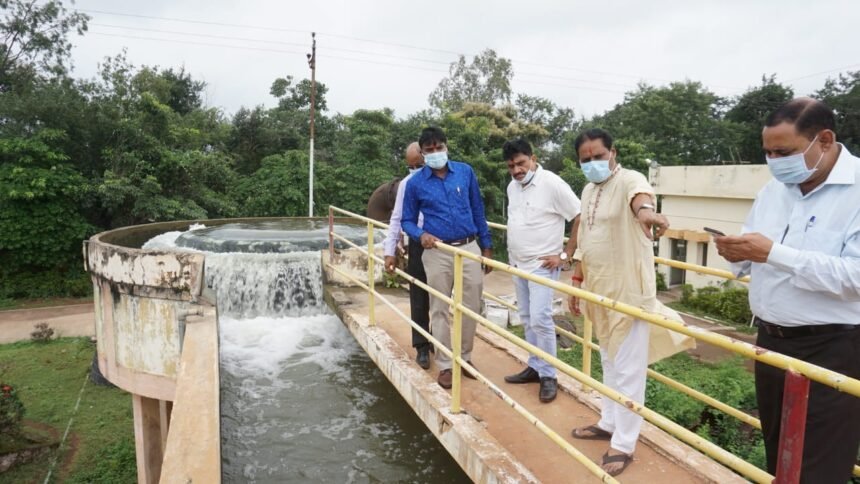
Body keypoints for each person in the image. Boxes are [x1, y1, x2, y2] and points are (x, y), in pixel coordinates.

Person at [714, 98, 860, 484]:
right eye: (767, 152)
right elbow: (753, 251)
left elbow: (856, 279)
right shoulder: (774, 190)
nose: (774, 161)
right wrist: (737, 252)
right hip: (772, 343)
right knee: (779, 457)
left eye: (784, 152)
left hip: (834, 348)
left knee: (819, 469)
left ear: (824, 140)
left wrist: (775, 254)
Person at [567, 128, 694, 477]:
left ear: (613, 152)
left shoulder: (630, 180)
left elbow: (641, 199)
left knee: (628, 370)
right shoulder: (588, 189)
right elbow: (586, 238)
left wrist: (647, 214)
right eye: (585, 159)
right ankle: (608, 422)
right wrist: (577, 280)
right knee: (608, 359)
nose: (593, 163)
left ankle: (624, 444)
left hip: (629, 292)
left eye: (598, 156)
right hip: (598, 289)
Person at [401, 127, 493, 390]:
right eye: (428, 150)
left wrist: (486, 246)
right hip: (437, 252)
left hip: (469, 246)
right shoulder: (416, 182)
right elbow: (407, 219)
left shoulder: (465, 172)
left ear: (446, 146)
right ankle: (444, 364)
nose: (434, 153)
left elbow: (478, 208)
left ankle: (464, 358)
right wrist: (421, 235)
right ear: (422, 152)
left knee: (470, 306)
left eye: (438, 147)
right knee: (439, 309)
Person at [501, 138, 581, 403]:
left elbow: (578, 216)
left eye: (521, 163)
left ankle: (549, 375)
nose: (517, 170)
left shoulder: (552, 184)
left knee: (540, 319)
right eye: (511, 166)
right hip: (518, 264)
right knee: (525, 317)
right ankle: (535, 366)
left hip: (543, 265)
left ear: (533, 159)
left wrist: (566, 255)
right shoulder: (513, 187)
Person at [383, 142, 433, 369]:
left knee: (442, 299)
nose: (415, 170)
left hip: (444, 245)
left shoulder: (444, 179)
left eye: (419, 165)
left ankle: (437, 340)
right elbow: (396, 218)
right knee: (419, 297)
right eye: (411, 166)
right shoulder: (406, 184)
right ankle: (421, 346)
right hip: (417, 244)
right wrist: (389, 251)